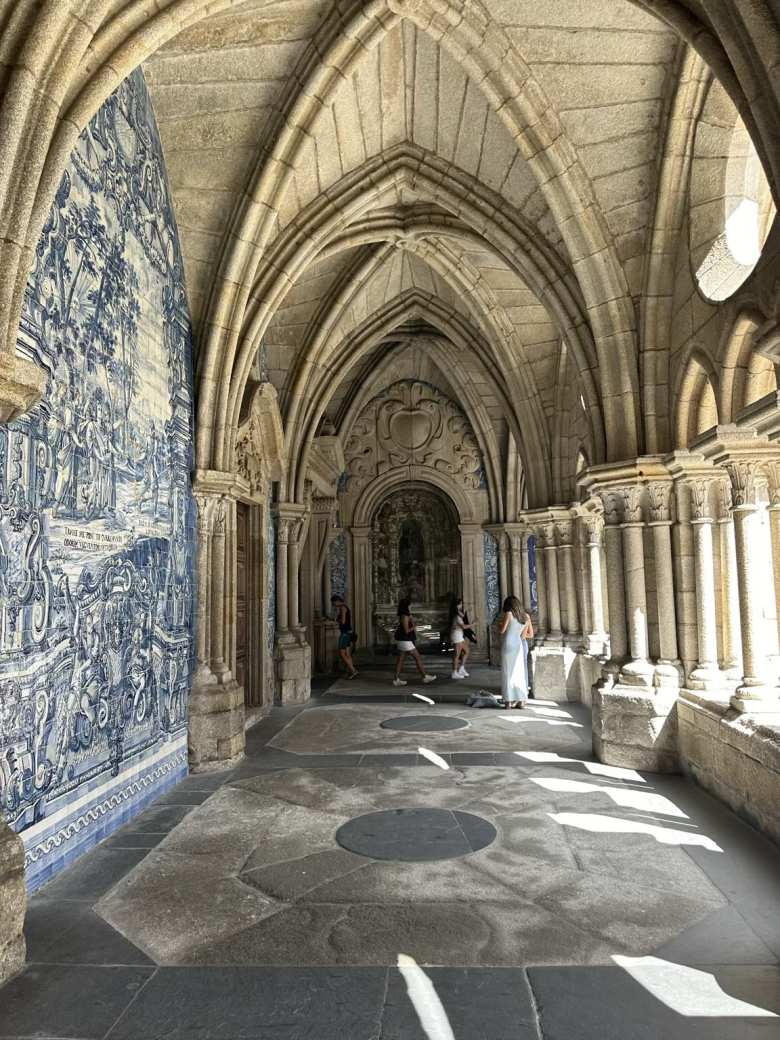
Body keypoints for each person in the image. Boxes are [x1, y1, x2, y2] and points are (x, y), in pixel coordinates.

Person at [393, 598, 436, 687]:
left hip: (403, 640)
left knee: (400, 660)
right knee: (417, 657)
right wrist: (415, 626)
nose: (411, 606)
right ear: (407, 606)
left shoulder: (405, 615)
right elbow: (406, 630)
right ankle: (425, 677)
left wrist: (411, 619)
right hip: (405, 640)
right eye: (410, 605)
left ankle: (396, 679)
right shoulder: (404, 616)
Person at [499, 595, 533, 708]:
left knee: (507, 672)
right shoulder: (526, 617)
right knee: (518, 673)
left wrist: (500, 624)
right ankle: (521, 700)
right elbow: (523, 635)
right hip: (518, 645)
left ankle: (508, 701)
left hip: (508, 644)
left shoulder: (508, 614)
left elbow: (502, 630)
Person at [448, 595, 476, 679]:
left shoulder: (457, 613)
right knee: (457, 655)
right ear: (456, 605)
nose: (461, 606)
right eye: (460, 604)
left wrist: (467, 611)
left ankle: (461, 668)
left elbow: (463, 616)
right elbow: (463, 626)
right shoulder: (456, 616)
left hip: (459, 635)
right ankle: (454, 672)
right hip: (456, 636)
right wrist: (473, 624)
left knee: (467, 651)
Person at [331, 594, 358, 679]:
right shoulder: (344, 607)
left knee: (342, 654)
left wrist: (336, 619)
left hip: (345, 633)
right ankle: (351, 671)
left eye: (333, 603)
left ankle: (353, 671)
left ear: (337, 601)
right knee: (347, 654)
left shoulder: (342, 608)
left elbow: (343, 622)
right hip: (348, 632)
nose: (333, 605)